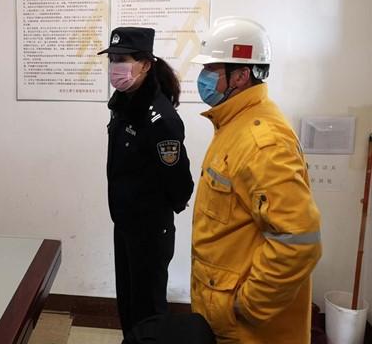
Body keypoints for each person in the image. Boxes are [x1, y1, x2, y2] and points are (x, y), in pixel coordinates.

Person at [190, 17, 322, 343]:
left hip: (246, 327)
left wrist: (247, 305)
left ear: (241, 75)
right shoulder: (235, 124)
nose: (203, 77)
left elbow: (298, 241)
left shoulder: (263, 142)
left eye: (211, 69)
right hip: (223, 312)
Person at [98, 27, 194, 338]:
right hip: (125, 222)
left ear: (146, 64)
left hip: (150, 230)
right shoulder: (124, 103)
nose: (115, 67)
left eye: (123, 59)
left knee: (148, 310)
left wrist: (160, 209)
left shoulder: (159, 117)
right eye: (113, 59)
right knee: (128, 303)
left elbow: (179, 181)